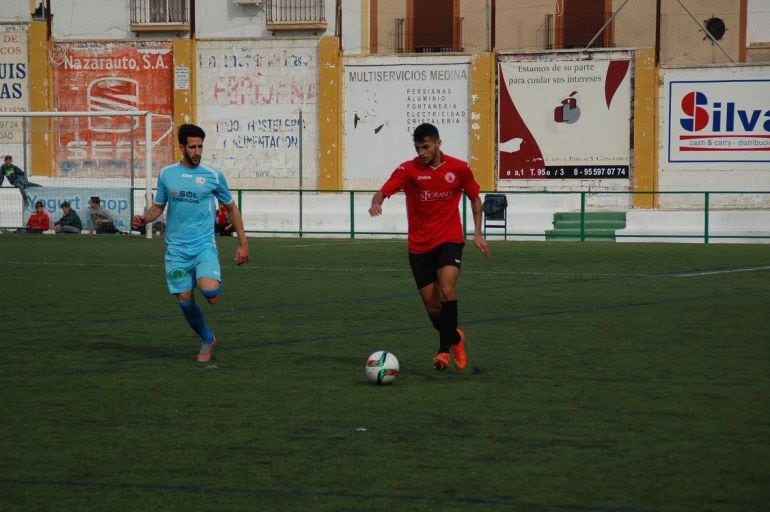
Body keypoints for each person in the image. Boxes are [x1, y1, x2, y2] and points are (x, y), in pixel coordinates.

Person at [368, 123, 491, 372]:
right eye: (417, 147)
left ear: (438, 143)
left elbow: (475, 199)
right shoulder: (407, 169)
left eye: (426, 146)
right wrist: (376, 202)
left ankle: (443, 351)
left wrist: (478, 233)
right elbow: (382, 192)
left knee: (447, 290)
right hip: (419, 246)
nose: (421, 152)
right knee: (433, 308)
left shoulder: (459, 168)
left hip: (449, 239)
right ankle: (455, 338)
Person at [131, 124, 249, 363]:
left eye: (200, 147)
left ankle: (205, 279)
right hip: (175, 251)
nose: (197, 152)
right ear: (182, 147)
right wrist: (144, 219)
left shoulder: (213, 175)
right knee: (185, 303)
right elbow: (158, 208)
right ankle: (208, 339)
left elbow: (231, 208)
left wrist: (243, 243)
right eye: (193, 147)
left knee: (211, 293)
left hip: (203, 246)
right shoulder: (167, 175)